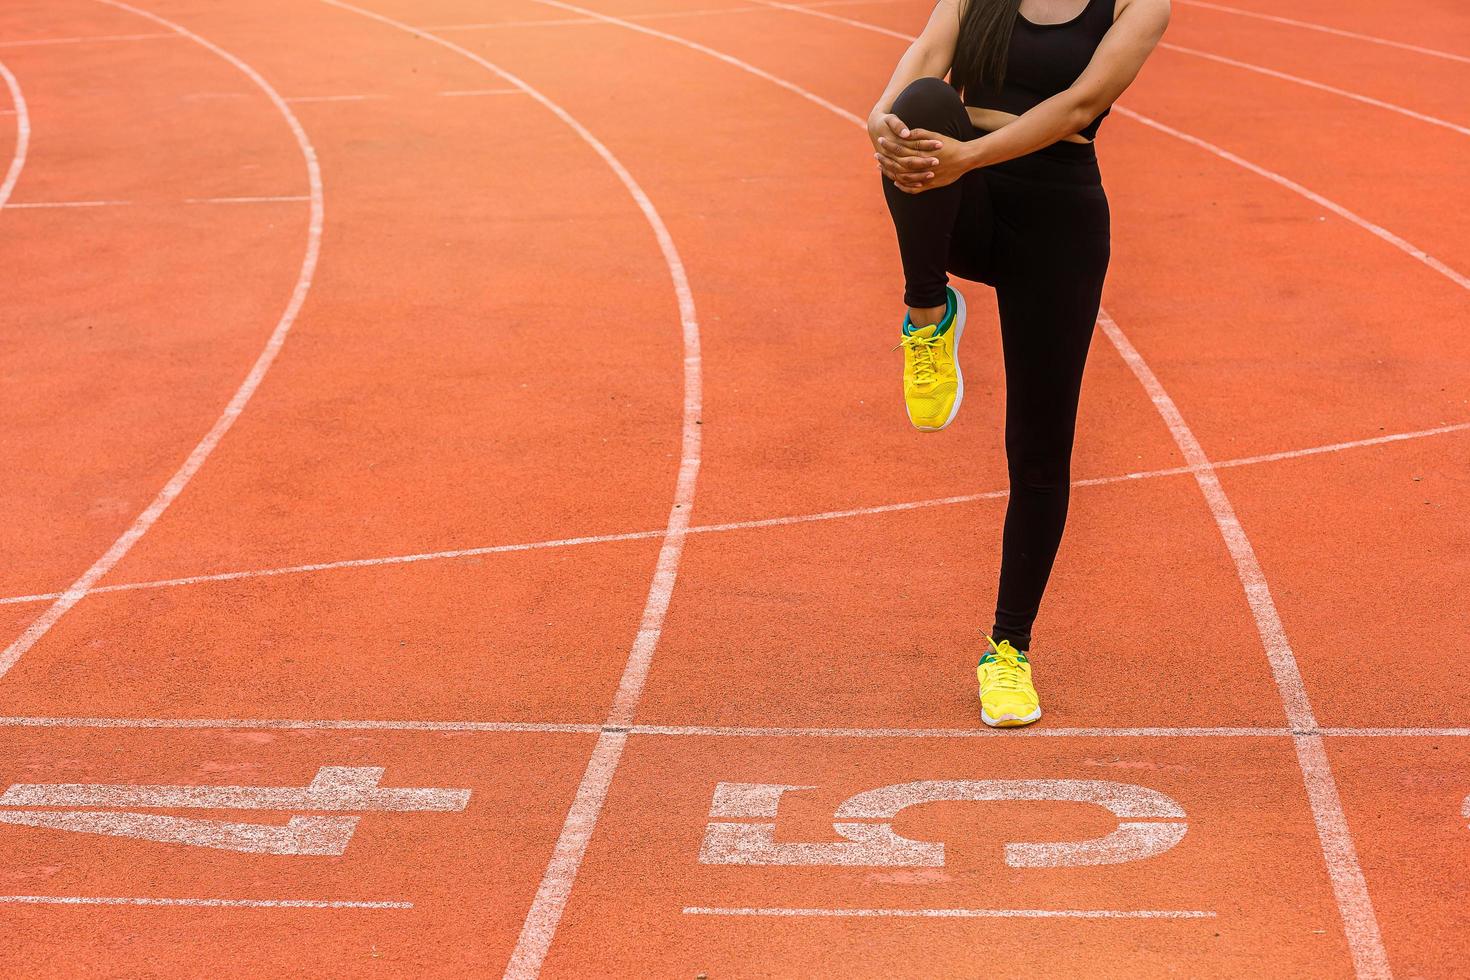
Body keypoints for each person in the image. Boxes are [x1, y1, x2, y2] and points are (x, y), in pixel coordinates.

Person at [869, 0, 1170, 726]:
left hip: (1058, 221)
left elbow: (1081, 104)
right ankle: (927, 312)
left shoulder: (1138, 4)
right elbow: (924, 56)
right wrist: (880, 120)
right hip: (963, 199)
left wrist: (967, 149)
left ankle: (1008, 650)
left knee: (1039, 452)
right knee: (922, 103)